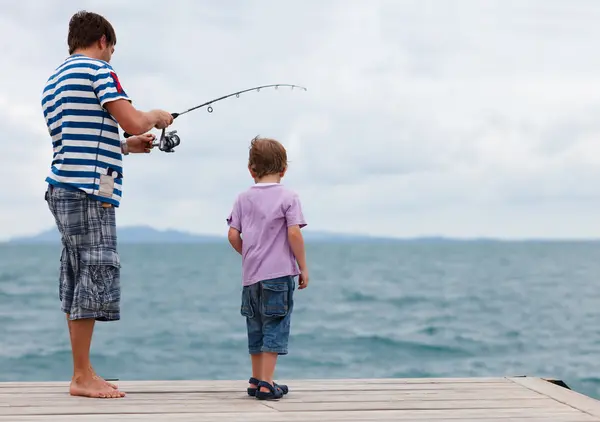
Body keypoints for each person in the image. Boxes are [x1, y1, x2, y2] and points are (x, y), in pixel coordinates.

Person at [41, 10, 173, 399]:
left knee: (77, 273)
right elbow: (133, 119)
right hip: (90, 194)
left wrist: (125, 148)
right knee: (94, 271)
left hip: (63, 187)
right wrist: (156, 117)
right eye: (111, 49)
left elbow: (81, 141)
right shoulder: (99, 72)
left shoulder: (54, 82)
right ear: (103, 41)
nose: (111, 56)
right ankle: (81, 376)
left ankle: (84, 370)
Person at [226, 136, 309, 400]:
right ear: (284, 170)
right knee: (275, 326)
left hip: (251, 278)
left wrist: (248, 254)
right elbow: (294, 233)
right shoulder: (288, 196)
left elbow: (232, 235)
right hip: (279, 275)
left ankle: (255, 379)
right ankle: (267, 383)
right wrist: (302, 267)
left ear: (251, 169)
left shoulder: (242, 198)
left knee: (256, 326)